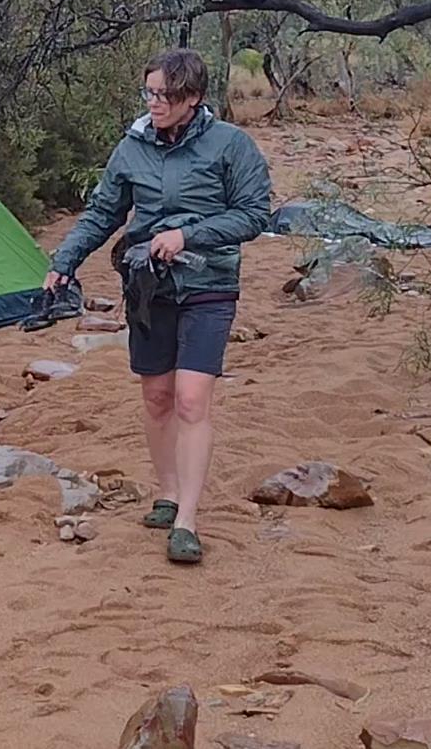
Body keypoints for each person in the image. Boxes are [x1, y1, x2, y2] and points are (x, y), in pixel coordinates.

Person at [47, 49, 271, 565]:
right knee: (157, 397)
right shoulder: (132, 146)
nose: (154, 104)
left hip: (209, 284)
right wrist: (65, 261)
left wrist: (188, 233)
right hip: (148, 285)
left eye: (164, 96)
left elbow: (254, 214)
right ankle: (167, 494)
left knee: (192, 399)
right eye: (148, 93)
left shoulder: (230, 146)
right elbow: (104, 212)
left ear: (192, 98)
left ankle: (188, 521)